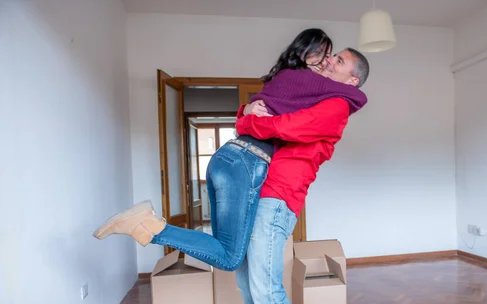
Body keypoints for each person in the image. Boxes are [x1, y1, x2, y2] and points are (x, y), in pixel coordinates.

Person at [92, 29, 367, 275]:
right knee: (230, 257)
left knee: (226, 248)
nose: (328, 61)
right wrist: (359, 97)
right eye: (325, 55)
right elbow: (296, 121)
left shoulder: (289, 82)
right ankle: (152, 227)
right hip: (248, 162)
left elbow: (263, 115)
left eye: (333, 58)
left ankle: (150, 226)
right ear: (304, 54)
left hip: (229, 159)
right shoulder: (308, 82)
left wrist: (245, 116)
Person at [233, 48, 370, 304]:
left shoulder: (337, 105)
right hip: (256, 190)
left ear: (352, 79)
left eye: (338, 61)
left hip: (279, 196)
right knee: (247, 281)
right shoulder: (312, 94)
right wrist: (246, 111)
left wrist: (247, 121)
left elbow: (285, 126)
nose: (329, 61)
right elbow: (270, 105)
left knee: (265, 287)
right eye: (331, 57)